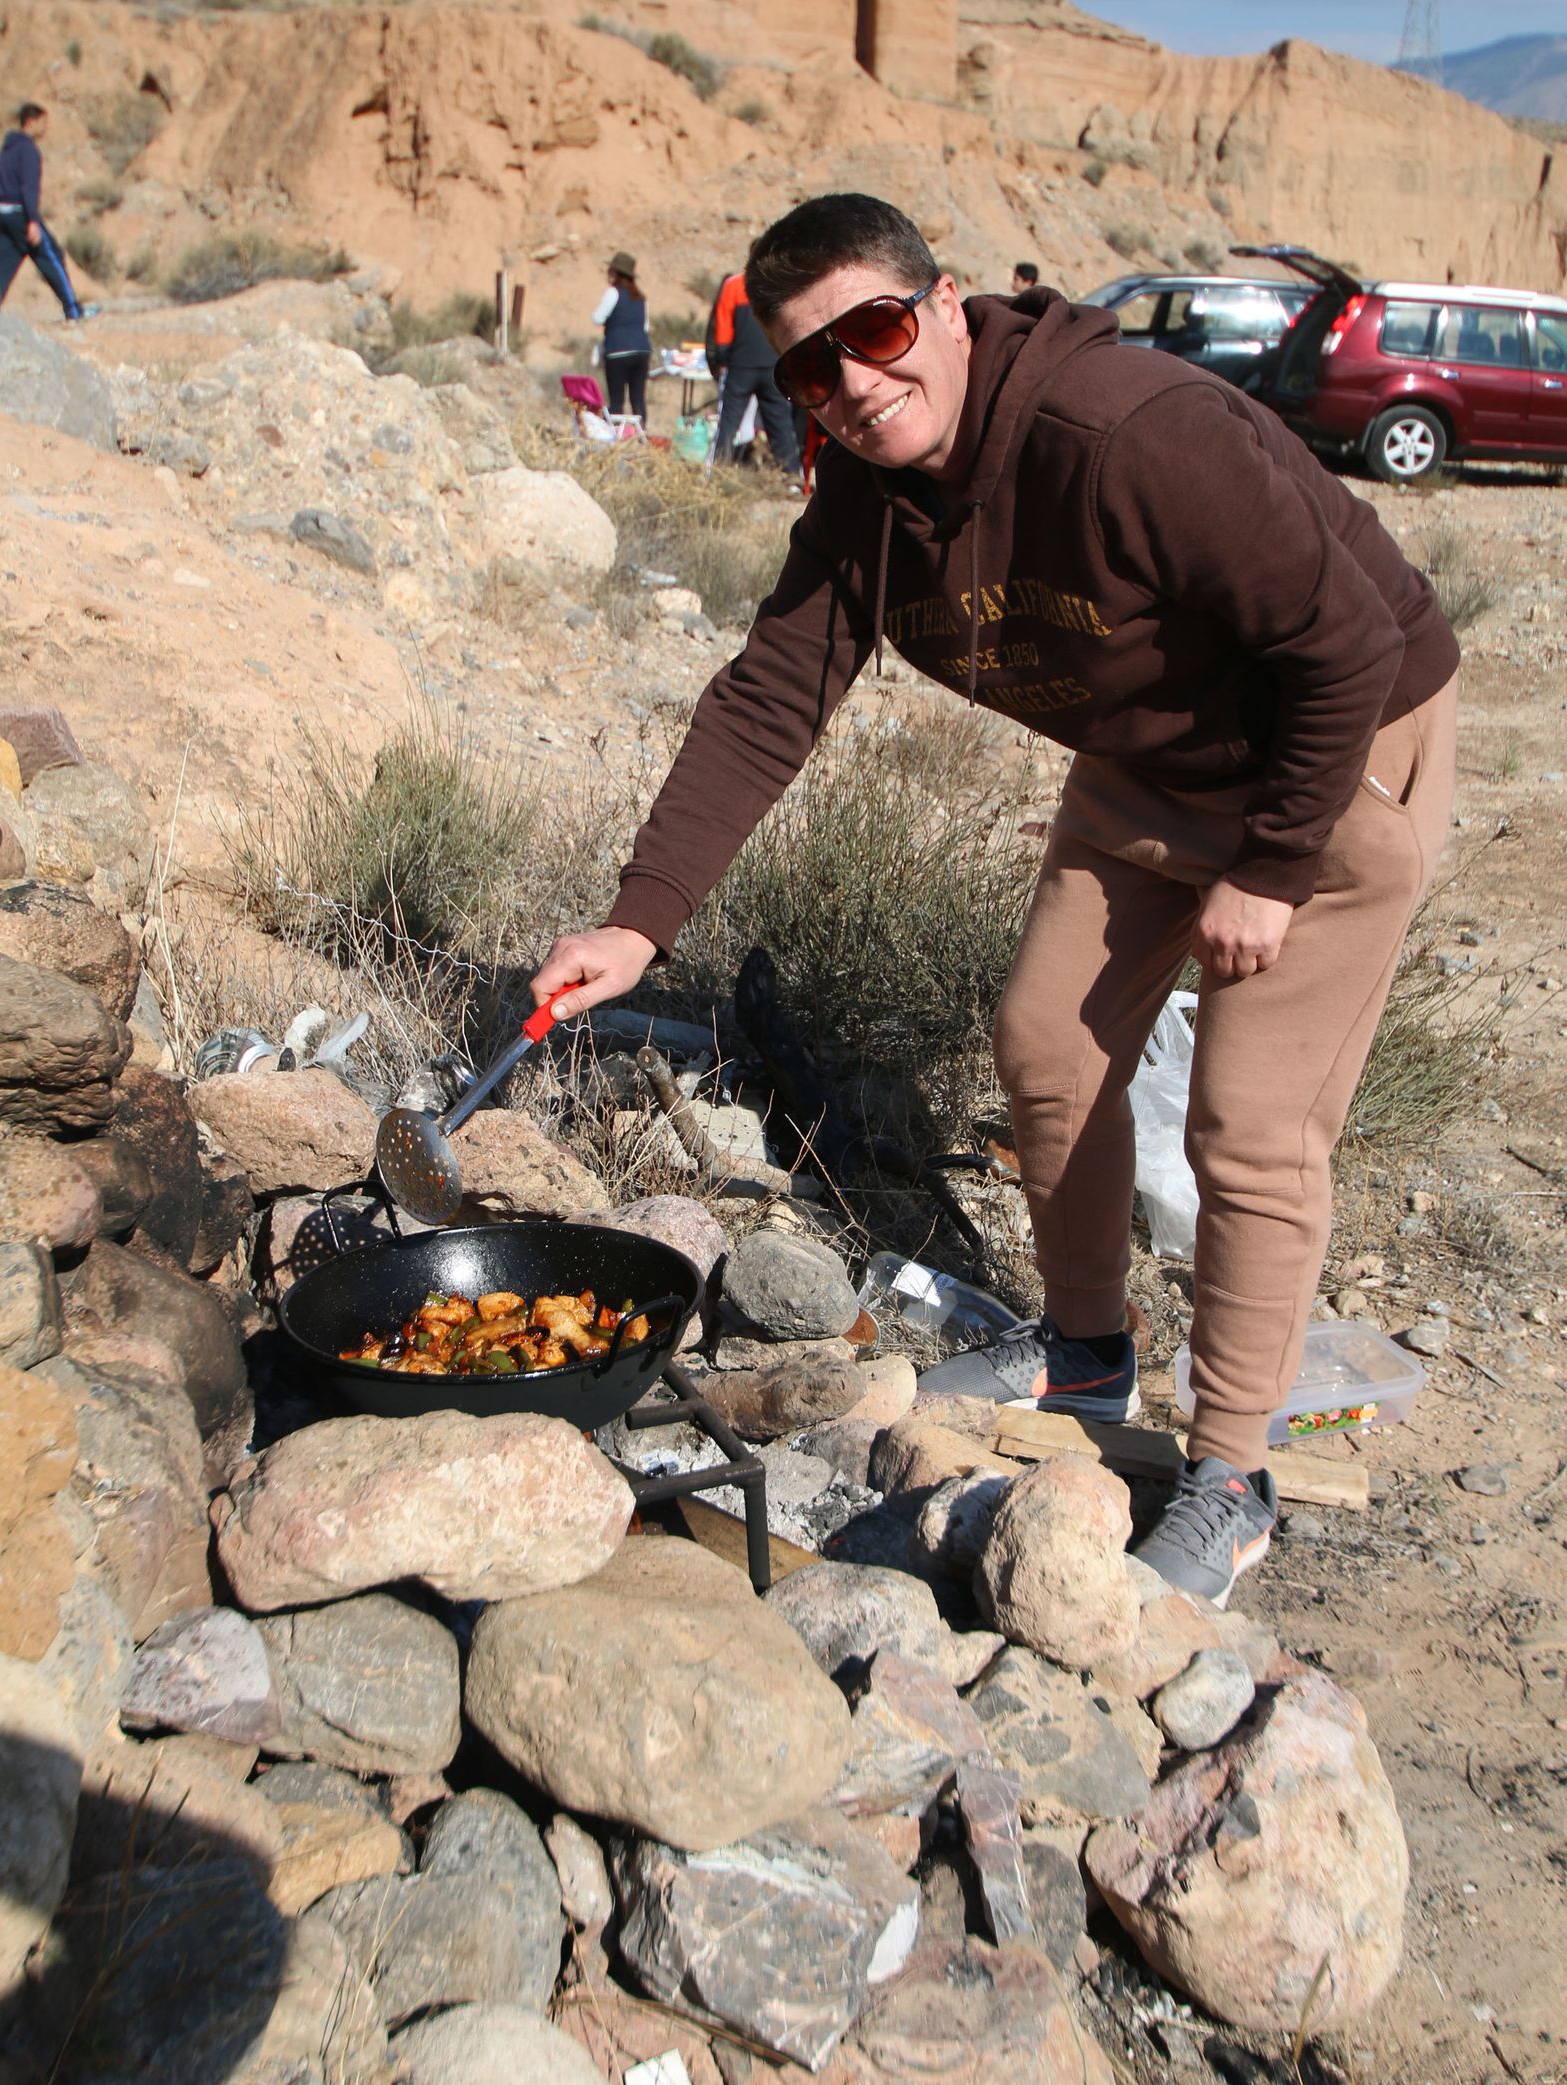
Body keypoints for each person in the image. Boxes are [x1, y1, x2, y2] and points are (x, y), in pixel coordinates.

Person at [531, 192, 1459, 1607]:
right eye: (809, 365)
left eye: (875, 331)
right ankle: (1086, 1355)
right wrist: (638, 920)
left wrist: (1272, 866)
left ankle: (1231, 1476)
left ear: (946, 307)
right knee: (1046, 1049)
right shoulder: (865, 498)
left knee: (1250, 1128)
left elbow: (1341, 641)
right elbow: (770, 698)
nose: (852, 382)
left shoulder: (1133, 434)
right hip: (1151, 760)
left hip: (1330, 753)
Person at [0, 103, 86, 322]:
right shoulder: (28, 150)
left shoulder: (7, 147)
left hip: (2, 213)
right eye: (42, 122)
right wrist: (32, 221)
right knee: (52, 256)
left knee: (2, 266)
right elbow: (29, 188)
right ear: (30, 121)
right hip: (21, 215)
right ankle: (73, 310)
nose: (45, 127)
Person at [705, 262, 803, 481]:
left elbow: (722, 325)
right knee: (781, 425)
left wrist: (722, 356)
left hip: (741, 367)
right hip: (772, 366)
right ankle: (793, 477)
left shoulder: (733, 285)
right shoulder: (777, 282)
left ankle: (717, 472)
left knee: (728, 424)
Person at [591, 252, 650, 428]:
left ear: (615, 272)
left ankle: (615, 435)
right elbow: (645, 327)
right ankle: (641, 434)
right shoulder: (641, 298)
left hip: (618, 350)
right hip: (642, 350)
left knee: (617, 400)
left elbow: (597, 318)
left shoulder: (613, 293)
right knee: (638, 398)